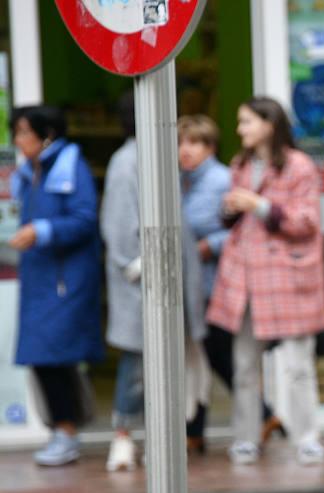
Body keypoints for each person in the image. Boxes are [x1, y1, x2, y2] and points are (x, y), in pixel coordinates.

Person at [207, 96, 324, 466]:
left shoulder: (299, 166)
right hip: (245, 277)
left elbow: (306, 221)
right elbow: (230, 219)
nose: (239, 129)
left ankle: (307, 437)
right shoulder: (240, 164)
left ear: (268, 124)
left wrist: (258, 206)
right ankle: (245, 436)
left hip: (287, 278)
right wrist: (231, 208)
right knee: (244, 364)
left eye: (246, 122)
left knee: (297, 365)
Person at [100, 93, 206, 471]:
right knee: (137, 359)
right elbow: (118, 223)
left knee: (158, 359)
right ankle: (123, 436)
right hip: (143, 276)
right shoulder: (127, 161)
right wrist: (137, 264)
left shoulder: (151, 156)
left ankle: (156, 437)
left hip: (162, 273)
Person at [7, 105, 102, 467]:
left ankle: (66, 431)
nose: (18, 141)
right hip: (42, 277)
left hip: (65, 281)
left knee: (54, 355)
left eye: (24, 133)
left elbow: (83, 219)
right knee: (44, 356)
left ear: (46, 134)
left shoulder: (68, 164)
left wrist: (41, 231)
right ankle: (63, 429)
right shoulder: (32, 170)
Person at [180, 113, 264, 456]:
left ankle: (263, 415)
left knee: (215, 355)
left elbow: (237, 227)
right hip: (193, 286)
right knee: (198, 357)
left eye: (194, 142)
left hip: (216, 284)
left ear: (210, 147)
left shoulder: (220, 179)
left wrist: (206, 246)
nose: (185, 150)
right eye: (181, 141)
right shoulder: (180, 180)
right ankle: (194, 431)